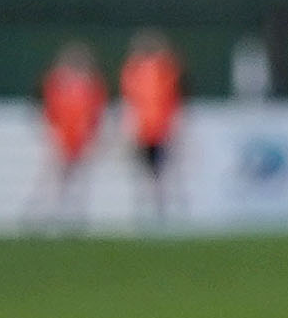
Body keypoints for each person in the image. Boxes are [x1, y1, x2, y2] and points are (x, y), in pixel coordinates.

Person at [33, 38, 108, 231]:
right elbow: (48, 108)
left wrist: (93, 135)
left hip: (81, 137)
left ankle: (74, 215)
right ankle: (45, 214)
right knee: (54, 178)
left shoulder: (92, 84)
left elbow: (96, 112)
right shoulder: (56, 82)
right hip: (61, 135)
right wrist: (51, 132)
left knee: (79, 179)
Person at [118, 31, 186, 220]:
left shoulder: (162, 68)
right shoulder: (135, 70)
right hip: (143, 130)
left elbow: (174, 81)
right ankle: (148, 209)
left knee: (162, 171)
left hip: (160, 129)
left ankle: (163, 209)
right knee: (146, 171)